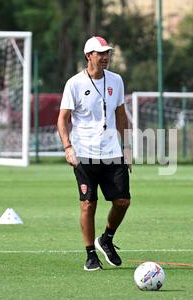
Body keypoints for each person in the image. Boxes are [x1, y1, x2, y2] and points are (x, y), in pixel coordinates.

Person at [57, 36, 132, 271]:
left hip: (112, 152)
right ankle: (90, 254)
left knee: (122, 201)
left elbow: (121, 115)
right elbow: (62, 119)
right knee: (88, 205)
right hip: (84, 154)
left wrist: (127, 148)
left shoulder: (116, 81)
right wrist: (68, 148)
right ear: (88, 55)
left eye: (107, 52)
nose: (105, 57)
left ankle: (106, 239)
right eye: (100, 53)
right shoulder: (74, 84)